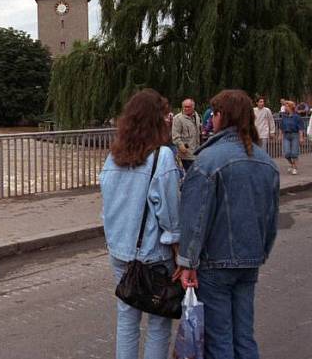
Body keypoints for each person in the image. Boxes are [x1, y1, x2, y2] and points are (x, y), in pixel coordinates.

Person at [176, 89, 279, 359]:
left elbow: (196, 218)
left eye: (215, 114)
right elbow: (270, 218)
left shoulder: (207, 161)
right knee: (244, 335)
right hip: (249, 260)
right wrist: (261, 251)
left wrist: (187, 262)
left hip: (215, 264)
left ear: (221, 116)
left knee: (219, 339)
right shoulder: (266, 163)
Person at [100, 89, 181, 359]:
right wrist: (179, 250)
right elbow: (170, 215)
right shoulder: (162, 157)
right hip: (153, 253)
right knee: (159, 321)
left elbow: (107, 205)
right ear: (156, 120)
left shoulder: (113, 156)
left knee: (127, 319)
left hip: (120, 250)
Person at [172, 98, 202, 171]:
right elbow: (175, 136)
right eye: (185, 107)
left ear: (193, 107)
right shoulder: (178, 119)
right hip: (186, 155)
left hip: (197, 151)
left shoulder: (196, 116)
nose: (186, 109)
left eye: (188, 107)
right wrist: (182, 147)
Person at [280, 101, 304, 175]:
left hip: (295, 135)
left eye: (286, 106)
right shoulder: (284, 116)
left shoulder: (297, 117)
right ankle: (292, 164)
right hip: (286, 135)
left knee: (294, 153)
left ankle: (294, 168)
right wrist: (280, 135)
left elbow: (300, 128)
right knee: (286, 153)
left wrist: (301, 137)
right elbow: (281, 127)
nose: (285, 108)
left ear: (290, 107)